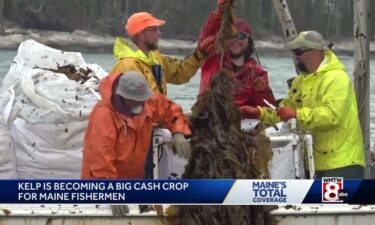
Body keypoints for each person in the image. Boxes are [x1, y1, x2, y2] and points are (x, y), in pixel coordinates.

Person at [240, 30, 365, 179]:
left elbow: (332, 116)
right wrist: (260, 113)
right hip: (311, 161)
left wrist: (296, 114)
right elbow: (284, 111)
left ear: (314, 52)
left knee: (340, 202)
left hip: (341, 163)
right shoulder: (300, 81)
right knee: (313, 202)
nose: (295, 56)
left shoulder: (337, 78)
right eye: (293, 52)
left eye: (298, 52)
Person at [111, 12, 212, 95]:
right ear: (141, 34)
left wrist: (200, 53)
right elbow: (134, 105)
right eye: (154, 29)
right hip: (146, 119)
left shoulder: (155, 58)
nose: (159, 33)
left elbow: (179, 73)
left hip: (157, 117)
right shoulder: (128, 66)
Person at [197, 0, 275, 107]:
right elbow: (208, 33)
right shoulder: (212, 61)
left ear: (249, 41)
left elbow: (267, 108)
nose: (236, 40)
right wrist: (221, 11)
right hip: (209, 118)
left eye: (241, 36)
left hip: (244, 120)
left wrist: (263, 91)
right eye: (231, 36)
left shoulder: (257, 73)